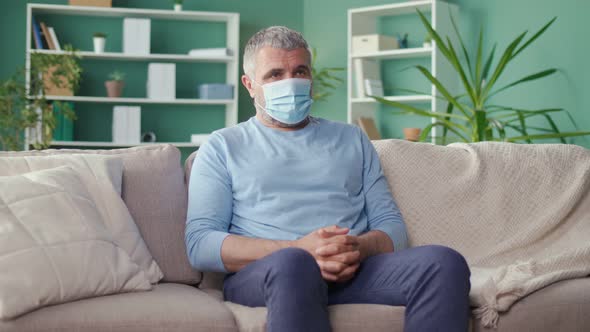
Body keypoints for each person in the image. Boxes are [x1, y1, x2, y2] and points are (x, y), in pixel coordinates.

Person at [185, 26, 471, 332]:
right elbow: (200, 243)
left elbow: (392, 227)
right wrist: (297, 248)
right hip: (271, 272)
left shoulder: (351, 138)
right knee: (295, 263)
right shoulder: (222, 146)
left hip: (353, 268)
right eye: (275, 74)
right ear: (249, 84)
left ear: (310, 78)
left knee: (444, 263)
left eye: (300, 71)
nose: (290, 82)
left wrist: (356, 248)